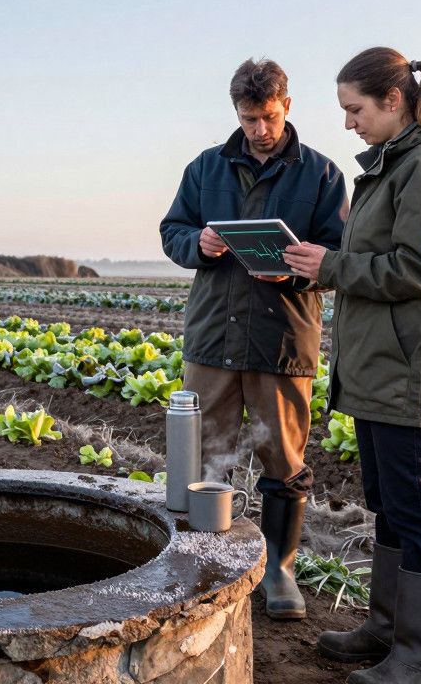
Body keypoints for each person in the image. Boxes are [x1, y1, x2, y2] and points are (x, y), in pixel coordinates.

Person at [282, 47, 421, 683]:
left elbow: (419, 269)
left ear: (392, 101)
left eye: (355, 109)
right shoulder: (396, 166)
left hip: (410, 371)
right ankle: (388, 630)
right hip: (379, 369)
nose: (348, 123)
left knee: (420, 511)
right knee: (391, 506)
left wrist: (332, 266)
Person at [160, 58, 348, 620]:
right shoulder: (204, 168)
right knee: (204, 453)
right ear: (235, 113)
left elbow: (338, 254)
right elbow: (173, 231)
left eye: (267, 117)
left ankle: (279, 569)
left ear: (286, 106)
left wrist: (294, 267)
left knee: (284, 458)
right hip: (213, 336)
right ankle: (203, 563)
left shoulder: (321, 174)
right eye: (248, 120)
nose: (259, 131)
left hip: (281, 340)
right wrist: (201, 242)